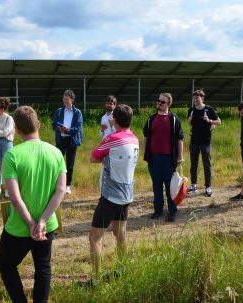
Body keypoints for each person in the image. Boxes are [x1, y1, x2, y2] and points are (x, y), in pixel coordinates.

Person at [0, 106, 66, 303]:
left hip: (19, 227)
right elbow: (60, 190)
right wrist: (42, 220)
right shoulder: (56, 153)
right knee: (43, 266)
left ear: (17, 130)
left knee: (6, 264)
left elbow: (14, 197)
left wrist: (30, 224)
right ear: (38, 125)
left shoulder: (12, 155)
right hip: (47, 225)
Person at [89, 104, 139, 277]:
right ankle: (122, 269)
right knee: (120, 233)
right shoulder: (134, 138)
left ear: (114, 120)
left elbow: (93, 158)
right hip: (126, 194)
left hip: (110, 196)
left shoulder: (112, 138)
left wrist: (110, 130)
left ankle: (96, 278)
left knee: (95, 237)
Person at [143, 93, 184, 222]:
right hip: (154, 159)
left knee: (170, 187)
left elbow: (180, 139)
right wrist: (145, 153)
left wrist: (180, 157)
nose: (159, 103)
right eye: (158, 100)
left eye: (162, 102)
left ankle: (172, 211)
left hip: (169, 159)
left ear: (169, 104)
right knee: (156, 186)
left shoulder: (174, 120)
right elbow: (145, 136)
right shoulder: (151, 119)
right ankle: (158, 210)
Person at [186, 89, 221, 197]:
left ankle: (208, 187)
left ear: (202, 98)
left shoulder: (208, 109)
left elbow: (219, 122)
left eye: (197, 98)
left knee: (207, 164)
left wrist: (210, 121)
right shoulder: (191, 110)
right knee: (194, 164)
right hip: (194, 141)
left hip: (206, 142)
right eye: (194, 98)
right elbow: (189, 123)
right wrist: (189, 120)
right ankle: (193, 185)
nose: (195, 100)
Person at [52, 89, 83, 194]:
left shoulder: (77, 112)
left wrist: (68, 130)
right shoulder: (59, 111)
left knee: (70, 164)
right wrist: (59, 128)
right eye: (64, 99)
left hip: (72, 140)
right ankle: (58, 183)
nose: (65, 101)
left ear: (72, 100)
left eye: (67, 99)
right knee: (58, 162)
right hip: (60, 140)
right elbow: (54, 125)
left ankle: (68, 185)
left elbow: (78, 128)